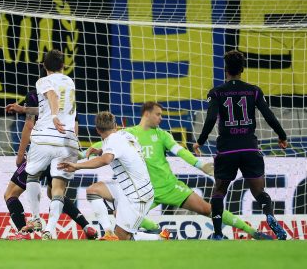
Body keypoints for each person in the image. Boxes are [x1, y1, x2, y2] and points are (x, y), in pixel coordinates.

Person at [87, 101, 272, 240]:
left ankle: (251, 231)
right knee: (120, 216)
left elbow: (181, 152)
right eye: (158, 114)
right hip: (143, 192)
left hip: (169, 186)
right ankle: (158, 232)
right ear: (147, 114)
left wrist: (201, 166)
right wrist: (78, 156)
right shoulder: (128, 134)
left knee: (206, 208)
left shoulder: (162, 135)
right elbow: (102, 145)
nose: (161, 118)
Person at [193, 50, 288, 240]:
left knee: (219, 191)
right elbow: (268, 115)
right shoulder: (253, 90)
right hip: (250, 148)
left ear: (225, 69)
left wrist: (200, 141)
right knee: (259, 191)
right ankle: (269, 215)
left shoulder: (216, 92)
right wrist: (282, 135)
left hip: (227, 149)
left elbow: (211, 118)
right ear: (242, 69)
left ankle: (218, 234)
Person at [59, 111, 170, 241]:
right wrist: (100, 150)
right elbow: (121, 151)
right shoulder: (124, 135)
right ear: (115, 126)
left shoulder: (112, 141)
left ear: (97, 130)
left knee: (123, 238)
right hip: (126, 189)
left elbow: (105, 160)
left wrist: (77, 166)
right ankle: (108, 232)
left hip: (138, 195)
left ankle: (160, 238)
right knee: (93, 191)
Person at [4, 87, 97, 240]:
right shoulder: (67, 98)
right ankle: (86, 226)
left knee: (10, 193)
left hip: (41, 150)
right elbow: (74, 128)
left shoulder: (35, 95)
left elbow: (29, 125)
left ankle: (24, 232)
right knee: (55, 192)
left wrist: (20, 155)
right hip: (64, 150)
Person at [22, 50, 81, 240]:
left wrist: (54, 117)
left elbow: (53, 97)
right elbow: (49, 105)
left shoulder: (42, 81)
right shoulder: (70, 82)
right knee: (58, 187)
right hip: (67, 140)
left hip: (45, 136)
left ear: (44, 66)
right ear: (63, 65)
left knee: (32, 174)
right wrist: (23, 109)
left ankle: (36, 217)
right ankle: (50, 229)